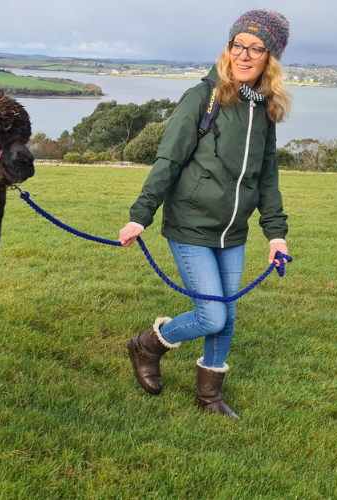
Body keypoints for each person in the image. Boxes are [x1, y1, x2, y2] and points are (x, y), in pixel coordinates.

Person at [119, 10, 292, 420]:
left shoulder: (264, 108)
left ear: (271, 57)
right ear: (228, 47)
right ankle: (147, 345)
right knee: (211, 314)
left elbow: (267, 178)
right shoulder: (203, 97)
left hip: (233, 232)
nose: (243, 55)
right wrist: (139, 216)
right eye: (238, 45)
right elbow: (168, 161)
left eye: (255, 48)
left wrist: (277, 235)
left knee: (226, 316)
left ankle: (209, 397)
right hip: (190, 226)